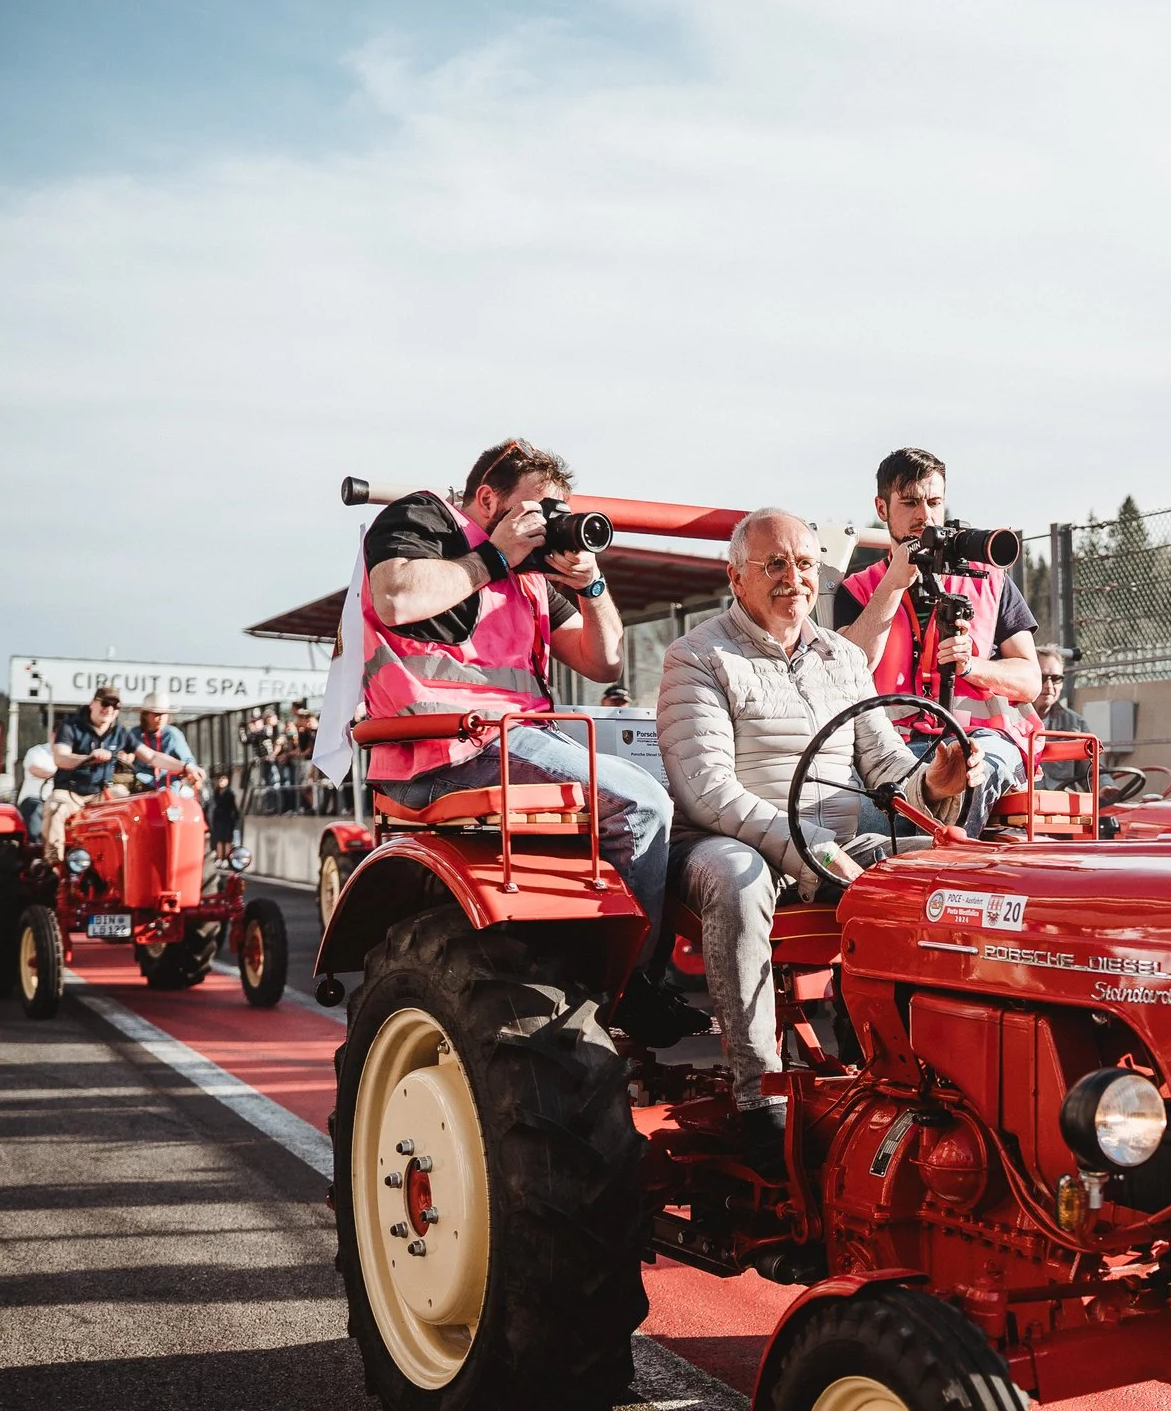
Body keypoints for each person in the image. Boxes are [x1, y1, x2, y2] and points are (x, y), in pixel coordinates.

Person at [658, 508, 980, 1154]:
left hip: (827, 844)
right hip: (727, 845)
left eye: (804, 564)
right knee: (741, 877)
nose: (793, 579)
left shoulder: (841, 657)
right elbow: (708, 789)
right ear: (736, 578)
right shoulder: (696, 657)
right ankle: (759, 1097)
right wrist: (807, 849)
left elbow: (889, 773)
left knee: (937, 873)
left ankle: (914, 1069)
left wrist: (938, 786)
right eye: (773, 564)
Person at [357, 437, 674, 1008]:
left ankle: (607, 960)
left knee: (679, 795)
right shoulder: (425, 519)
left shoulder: (528, 576)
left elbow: (604, 663)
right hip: (442, 752)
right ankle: (634, 989)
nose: (545, 527)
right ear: (486, 498)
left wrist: (592, 585)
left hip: (508, 744)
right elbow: (395, 599)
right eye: (536, 511)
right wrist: (494, 557)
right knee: (642, 803)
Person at [833, 447, 1039, 800]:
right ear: (881, 508)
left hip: (984, 740)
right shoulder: (859, 590)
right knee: (890, 796)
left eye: (933, 502)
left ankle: (946, 848)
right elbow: (850, 670)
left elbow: (1030, 682)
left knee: (969, 774)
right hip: (892, 746)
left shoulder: (991, 580)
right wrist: (893, 584)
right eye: (910, 503)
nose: (925, 515)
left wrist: (971, 666)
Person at [42, 685, 140, 862]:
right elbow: (61, 758)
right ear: (92, 704)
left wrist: (186, 767)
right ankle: (54, 863)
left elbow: (152, 756)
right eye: (105, 703)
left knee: (133, 806)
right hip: (71, 793)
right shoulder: (70, 727)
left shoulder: (120, 733)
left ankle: (129, 860)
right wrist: (88, 758)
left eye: (115, 706)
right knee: (55, 809)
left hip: (101, 794)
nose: (109, 709)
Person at [1027, 645, 1093, 792]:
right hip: (1021, 809)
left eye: (1056, 679)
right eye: (1041, 677)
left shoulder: (1075, 724)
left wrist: (1105, 788)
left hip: (1062, 810)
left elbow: (1092, 773)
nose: (1049, 686)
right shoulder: (1008, 720)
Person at [126, 691, 203, 792]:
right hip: (140, 787)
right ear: (145, 715)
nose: (161, 718)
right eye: (156, 714)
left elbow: (188, 760)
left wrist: (192, 770)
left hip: (169, 787)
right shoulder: (134, 734)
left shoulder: (173, 734)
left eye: (164, 714)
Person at [207, 768, 242, 865]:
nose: (221, 781)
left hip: (227, 819)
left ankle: (226, 858)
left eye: (223, 779)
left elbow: (234, 808)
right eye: (219, 780)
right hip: (218, 818)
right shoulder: (216, 793)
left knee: (226, 840)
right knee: (218, 839)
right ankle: (219, 857)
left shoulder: (230, 794)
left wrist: (236, 819)